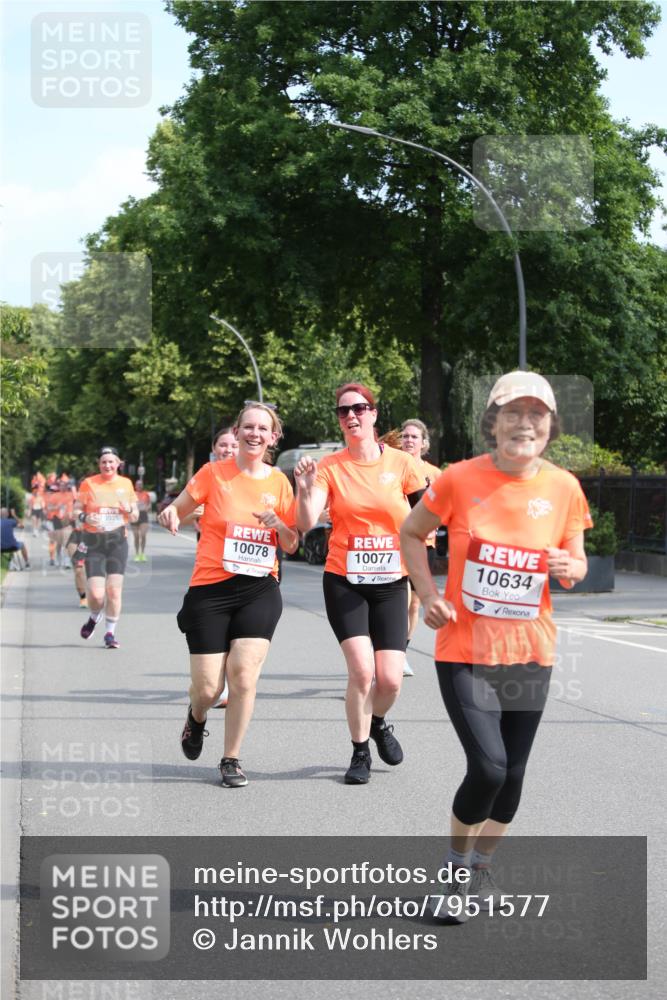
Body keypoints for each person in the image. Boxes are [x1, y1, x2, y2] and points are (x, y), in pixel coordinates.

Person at [400, 371, 592, 921]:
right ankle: (455, 870)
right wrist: (427, 592)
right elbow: (411, 533)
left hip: (531, 650)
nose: (524, 422)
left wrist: (568, 566)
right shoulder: (459, 479)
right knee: (488, 768)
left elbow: (576, 562)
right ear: (494, 421)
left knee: (512, 777)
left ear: (550, 426)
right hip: (464, 648)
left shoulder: (563, 488)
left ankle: (481, 868)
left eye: (536, 414)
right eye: (513, 412)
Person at [158, 403, 298, 788]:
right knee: (208, 688)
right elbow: (177, 510)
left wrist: (280, 524)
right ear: (236, 433)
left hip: (259, 589)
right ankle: (197, 716)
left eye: (262, 429)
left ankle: (231, 758)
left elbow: (291, 542)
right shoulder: (213, 474)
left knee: (244, 676)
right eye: (248, 427)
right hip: (210, 589)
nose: (254, 433)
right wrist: (170, 515)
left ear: (273, 437)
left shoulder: (280, 483)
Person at [295, 383, 425, 785]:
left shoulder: (403, 463)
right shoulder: (329, 467)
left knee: (389, 678)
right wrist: (303, 491)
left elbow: (426, 515)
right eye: (343, 411)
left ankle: (380, 721)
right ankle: (360, 752)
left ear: (373, 414)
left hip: (390, 580)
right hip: (344, 579)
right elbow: (305, 522)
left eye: (358, 409)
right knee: (362, 672)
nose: (351, 416)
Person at [76, 447, 139, 649]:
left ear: (118, 463)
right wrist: (85, 517)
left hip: (117, 541)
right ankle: (95, 616)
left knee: (113, 591)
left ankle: (110, 633)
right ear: (99, 464)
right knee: (95, 595)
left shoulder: (126, 484)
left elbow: (135, 515)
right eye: (104, 462)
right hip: (94, 541)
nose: (108, 465)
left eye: (111, 461)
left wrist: (129, 509)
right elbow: (76, 510)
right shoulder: (89, 483)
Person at [399, 418, 442, 676]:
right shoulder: (393, 468)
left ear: (423, 443)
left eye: (414, 437)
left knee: (414, 604)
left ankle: (401, 651)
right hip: (395, 543)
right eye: (405, 436)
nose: (408, 440)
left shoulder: (435, 473)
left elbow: (444, 506)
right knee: (399, 599)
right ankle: (387, 650)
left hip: (425, 542)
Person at [131, 480, 152, 562]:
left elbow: (149, 504)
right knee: (136, 536)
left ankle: (142, 554)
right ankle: (137, 554)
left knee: (143, 535)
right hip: (134, 515)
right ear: (135, 486)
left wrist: (147, 508)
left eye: (141, 484)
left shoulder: (146, 494)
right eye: (138, 484)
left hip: (143, 515)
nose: (139, 486)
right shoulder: (132, 494)